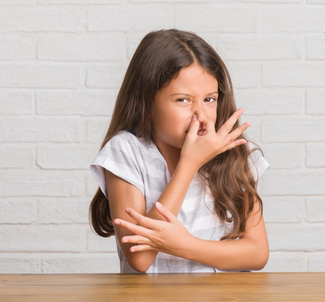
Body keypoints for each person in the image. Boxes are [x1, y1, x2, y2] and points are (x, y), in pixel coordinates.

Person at [88, 29, 270, 273]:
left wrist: (185, 245)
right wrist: (189, 165)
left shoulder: (234, 153)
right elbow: (139, 259)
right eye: (183, 100)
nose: (201, 116)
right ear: (147, 104)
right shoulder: (126, 152)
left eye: (209, 99)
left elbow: (257, 253)